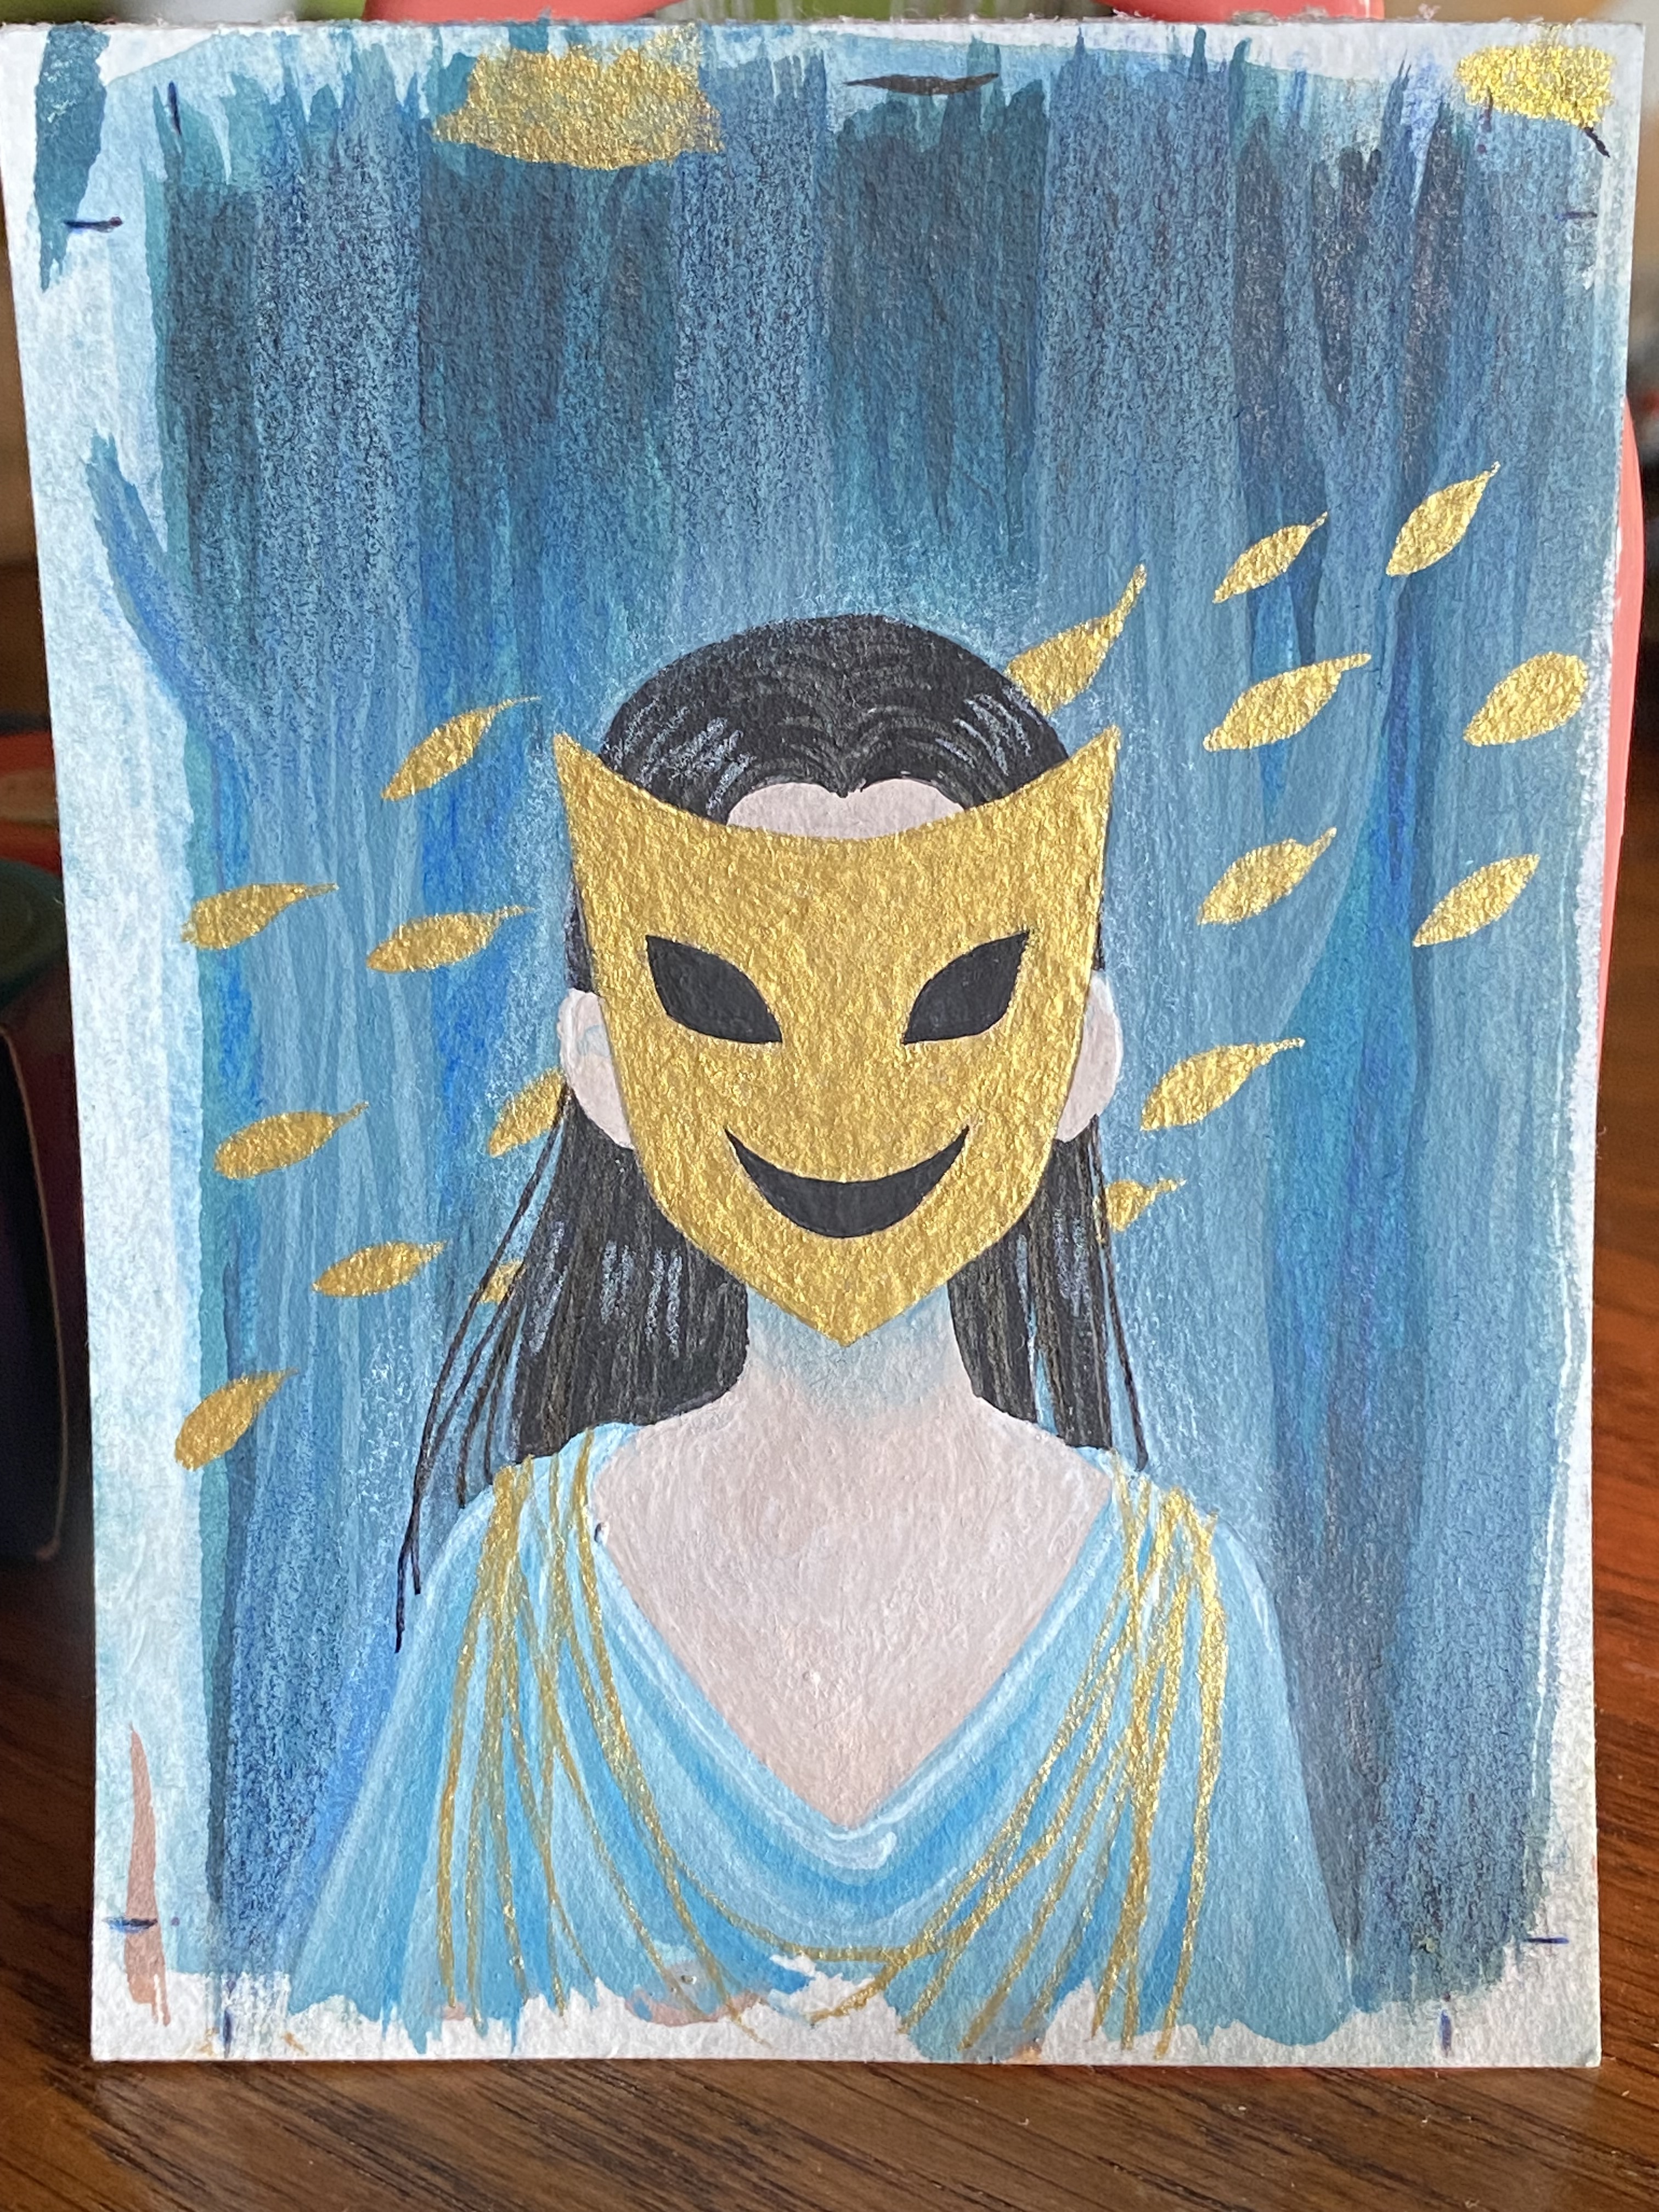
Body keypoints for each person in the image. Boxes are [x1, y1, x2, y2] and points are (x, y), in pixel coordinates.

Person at [294, 616, 1348, 2058]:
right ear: (601, 1065)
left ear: (1081, 1051)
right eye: (724, 997)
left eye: (959, 993)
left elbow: (1279, 2092)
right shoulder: (512, 1606)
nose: (845, 1101)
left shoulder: (1190, 1634)